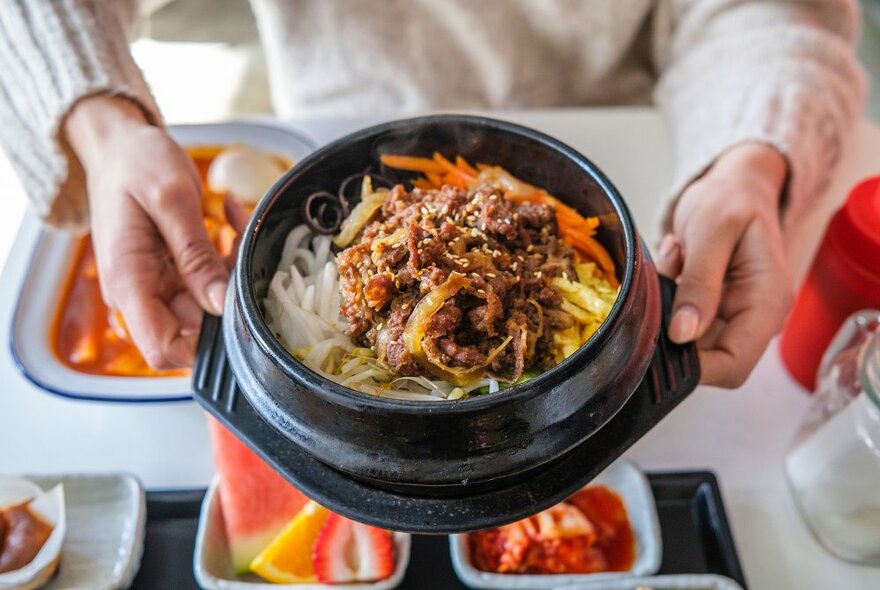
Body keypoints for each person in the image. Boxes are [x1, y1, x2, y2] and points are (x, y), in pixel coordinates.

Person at [0, 0, 866, 387]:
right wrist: (101, 122)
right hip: (331, 143)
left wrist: (750, 155)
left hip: (639, 155)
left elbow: (768, 12)